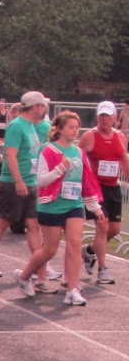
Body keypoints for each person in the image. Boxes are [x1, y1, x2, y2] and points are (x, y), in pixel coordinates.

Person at [17, 110, 105, 305]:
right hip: (51, 205)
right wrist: (59, 169)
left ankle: (72, 290)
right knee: (50, 250)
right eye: (71, 127)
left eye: (77, 127)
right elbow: (40, 180)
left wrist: (96, 208)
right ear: (59, 129)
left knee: (74, 244)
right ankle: (24, 276)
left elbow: (87, 181)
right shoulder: (48, 151)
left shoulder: (79, 152)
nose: (75, 131)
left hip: (73, 204)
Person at [0, 90, 49, 278]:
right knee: (4, 220)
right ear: (35, 107)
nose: (44, 109)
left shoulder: (32, 126)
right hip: (14, 182)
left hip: (31, 181)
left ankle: (39, 264)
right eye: (42, 106)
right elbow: (10, 154)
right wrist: (18, 180)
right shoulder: (17, 126)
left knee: (33, 224)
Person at [79, 101, 126, 284]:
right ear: (97, 116)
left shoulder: (120, 136)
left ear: (114, 118)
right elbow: (78, 159)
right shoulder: (90, 136)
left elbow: (123, 160)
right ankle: (103, 269)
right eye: (101, 116)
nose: (104, 119)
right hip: (95, 188)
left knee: (114, 229)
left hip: (113, 187)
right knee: (102, 225)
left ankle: (90, 251)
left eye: (108, 116)